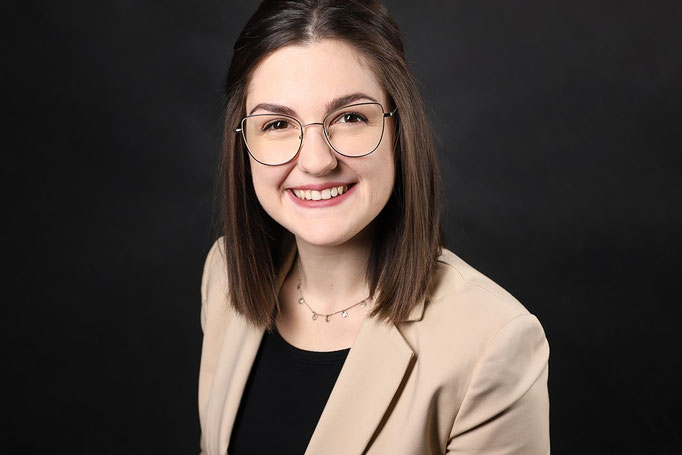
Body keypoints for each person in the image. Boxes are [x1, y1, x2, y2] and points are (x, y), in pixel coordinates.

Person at [198, 0, 550, 454]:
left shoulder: (493, 342)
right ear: (243, 143)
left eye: (350, 118)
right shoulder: (224, 274)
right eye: (278, 123)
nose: (317, 162)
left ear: (400, 130)